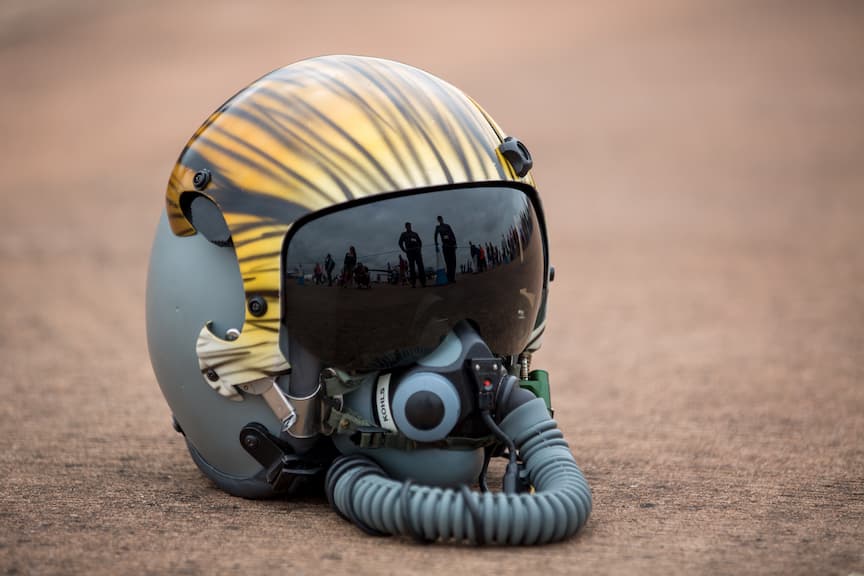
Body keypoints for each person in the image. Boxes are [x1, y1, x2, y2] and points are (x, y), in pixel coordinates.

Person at [398, 222, 425, 287]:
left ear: (411, 226)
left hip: (417, 251)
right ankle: (413, 283)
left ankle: (423, 282)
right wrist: (404, 250)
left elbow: (420, 242)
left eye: (409, 226)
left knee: (421, 266)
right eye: (407, 226)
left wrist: (419, 248)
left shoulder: (415, 234)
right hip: (409, 252)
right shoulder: (403, 234)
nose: (409, 227)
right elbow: (400, 242)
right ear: (405, 227)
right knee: (412, 267)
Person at [434, 215, 458, 283]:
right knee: (448, 262)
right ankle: (449, 278)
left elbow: (452, 234)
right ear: (438, 220)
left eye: (441, 219)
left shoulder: (447, 226)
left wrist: (455, 243)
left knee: (453, 262)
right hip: (445, 246)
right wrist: (436, 242)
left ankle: (452, 278)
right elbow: (435, 235)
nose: (440, 220)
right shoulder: (438, 227)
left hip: (451, 245)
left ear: (442, 219)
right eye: (439, 219)